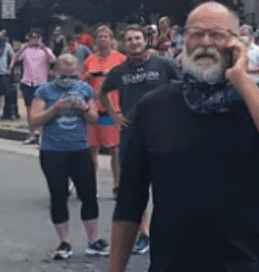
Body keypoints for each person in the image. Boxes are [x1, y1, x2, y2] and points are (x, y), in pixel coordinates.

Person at [108, 2, 259, 272]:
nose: (206, 42)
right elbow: (130, 200)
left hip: (243, 262)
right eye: (197, 34)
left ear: (237, 45)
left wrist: (241, 79)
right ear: (184, 41)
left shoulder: (257, 100)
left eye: (218, 35)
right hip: (172, 264)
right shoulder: (154, 106)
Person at [99, 24, 179, 257]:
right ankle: (144, 234)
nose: (134, 42)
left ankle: (167, 233)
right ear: (123, 44)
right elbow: (102, 93)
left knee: (167, 185)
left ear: (146, 40)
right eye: (129, 39)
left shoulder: (163, 64)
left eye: (137, 38)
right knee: (134, 186)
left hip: (164, 133)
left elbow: (183, 86)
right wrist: (113, 115)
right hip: (132, 133)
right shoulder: (118, 71)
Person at [29, 54, 107, 259]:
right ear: (55, 72)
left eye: (72, 74)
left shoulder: (84, 89)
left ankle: (93, 240)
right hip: (53, 150)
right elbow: (33, 120)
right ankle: (64, 242)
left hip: (79, 148)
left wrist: (84, 108)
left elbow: (94, 120)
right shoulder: (44, 90)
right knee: (58, 195)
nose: (68, 79)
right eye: (64, 74)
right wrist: (55, 108)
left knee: (88, 194)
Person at [83, 25, 126, 195]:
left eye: (106, 36)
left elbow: (126, 81)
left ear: (112, 39)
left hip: (113, 109)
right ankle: (91, 186)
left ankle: (117, 185)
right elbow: (82, 86)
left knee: (113, 149)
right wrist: (87, 77)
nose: (103, 39)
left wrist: (110, 74)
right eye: (100, 36)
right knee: (92, 148)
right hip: (94, 109)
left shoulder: (120, 59)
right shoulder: (90, 61)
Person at [13, 29, 55, 145]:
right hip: (27, 82)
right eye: (33, 37)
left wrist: (44, 48)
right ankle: (31, 134)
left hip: (41, 83)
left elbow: (53, 59)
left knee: (41, 110)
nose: (35, 40)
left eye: (37, 37)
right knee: (29, 110)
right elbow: (15, 59)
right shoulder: (26, 51)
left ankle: (42, 136)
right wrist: (24, 47)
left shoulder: (45, 51)